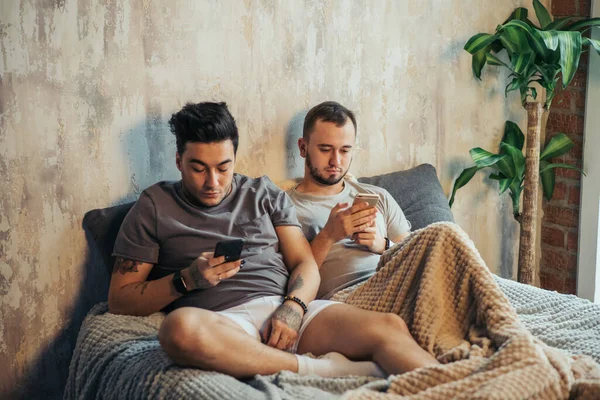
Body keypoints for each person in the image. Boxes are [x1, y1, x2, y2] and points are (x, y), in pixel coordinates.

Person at [108, 101, 438, 379]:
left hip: (285, 307)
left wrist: (293, 308)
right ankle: (320, 370)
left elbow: (304, 263)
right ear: (178, 161)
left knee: (389, 327)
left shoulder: (263, 193)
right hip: (223, 322)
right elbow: (120, 299)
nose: (213, 181)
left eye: (223, 167)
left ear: (235, 158)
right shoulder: (153, 206)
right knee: (178, 330)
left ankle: (457, 386)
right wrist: (186, 281)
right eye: (198, 169)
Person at [287, 101, 411, 299]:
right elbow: (287, 281)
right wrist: (328, 235)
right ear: (303, 148)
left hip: (397, 286)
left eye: (344, 151)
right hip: (348, 299)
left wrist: (383, 245)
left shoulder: (379, 196)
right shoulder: (284, 207)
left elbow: (417, 255)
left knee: (445, 234)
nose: (336, 161)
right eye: (325, 149)